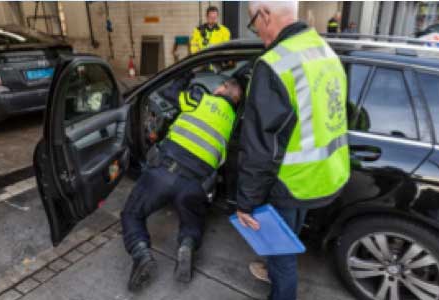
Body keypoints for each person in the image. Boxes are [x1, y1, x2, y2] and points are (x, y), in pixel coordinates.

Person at [236, 2, 350, 300]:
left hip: (292, 180)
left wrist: (245, 202)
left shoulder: (274, 63)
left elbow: (261, 146)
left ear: (265, 14)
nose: (257, 31)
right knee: (289, 237)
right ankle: (273, 269)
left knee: (283, 256)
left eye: (253, 23)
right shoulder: (324, 50)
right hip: (325, 174)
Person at [121, 73, 243, 291]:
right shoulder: (233, 121)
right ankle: (186, 245)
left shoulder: (200, 99)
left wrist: (186, 77)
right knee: (193, 219)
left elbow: (169, 94)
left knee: (131, 213)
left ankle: (141, 254)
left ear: (223, 88)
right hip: (196, 185)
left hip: (165, 171)